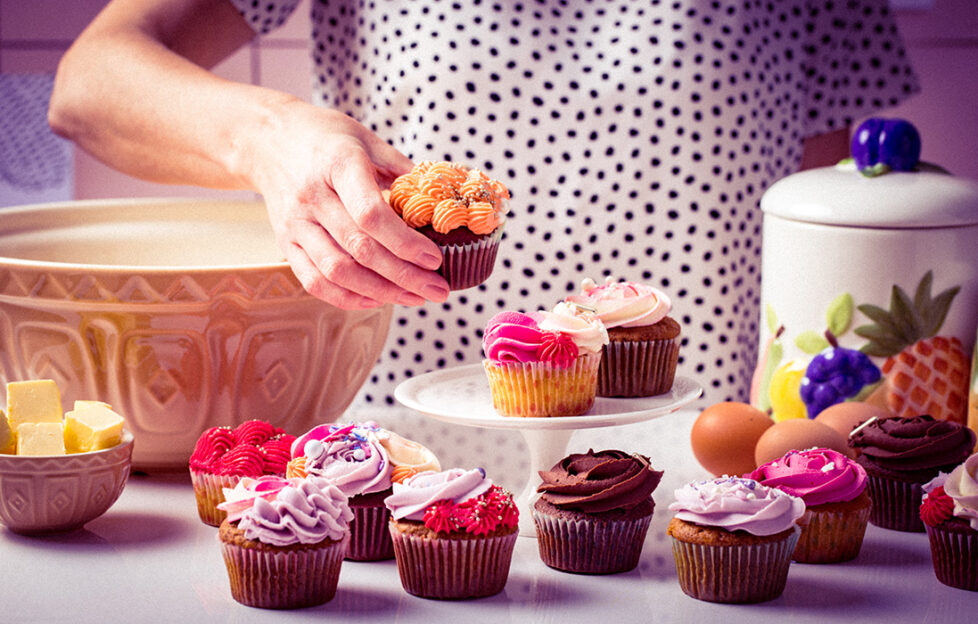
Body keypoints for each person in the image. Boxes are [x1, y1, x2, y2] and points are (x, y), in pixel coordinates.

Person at [49, 0, 919, 416]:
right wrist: (270, 134)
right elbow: (91, 82)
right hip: (399, 460)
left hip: (696, 455)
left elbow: (820, 212)